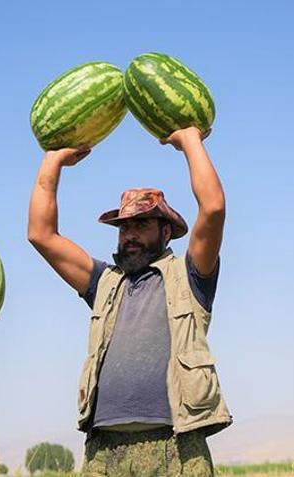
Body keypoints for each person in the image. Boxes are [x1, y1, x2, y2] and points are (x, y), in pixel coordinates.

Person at [28, 126, 231, 476]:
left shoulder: (190, 276)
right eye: (124, 228)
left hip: (177, 444)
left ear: (166, 231)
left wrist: (189, 141)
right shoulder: (105, 283)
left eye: (141, 224)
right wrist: (53, 162)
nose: (130, 234)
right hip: (105, 448)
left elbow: (212, 209)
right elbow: (41, 234)